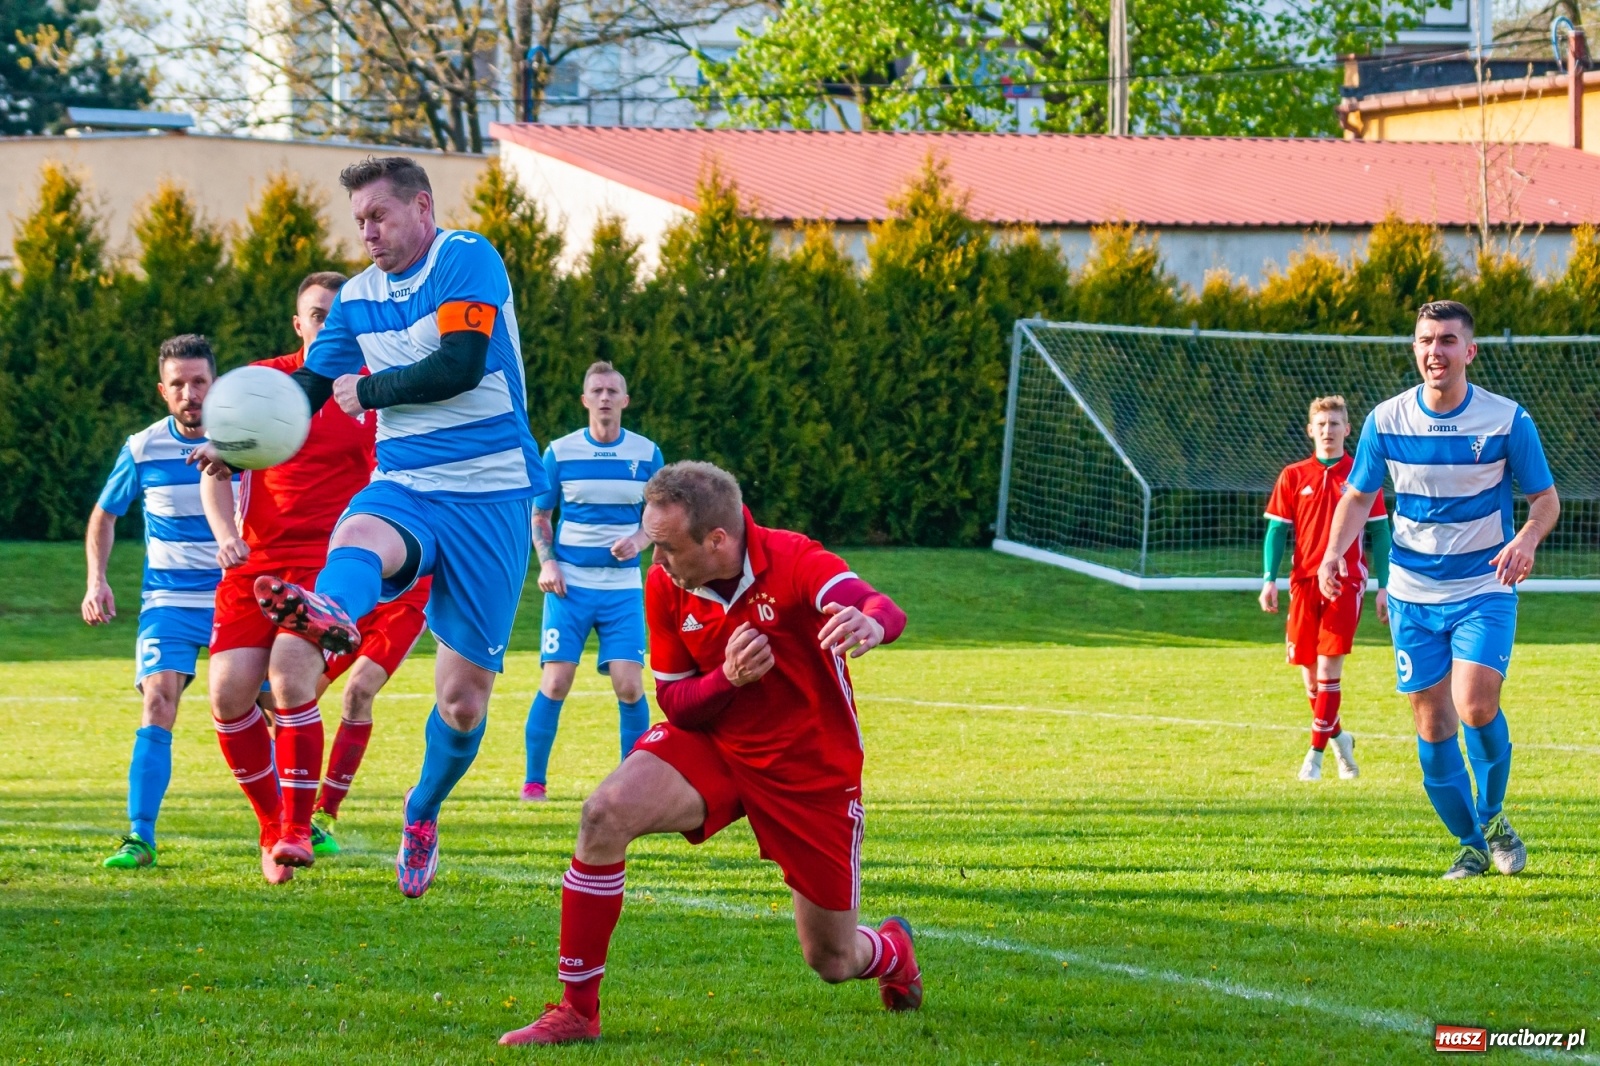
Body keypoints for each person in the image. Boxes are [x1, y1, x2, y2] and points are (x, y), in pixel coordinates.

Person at [500, 461, 920, 1048]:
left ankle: (893, 951)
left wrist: (870, 624)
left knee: (831, 959)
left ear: (717, 540)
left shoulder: (794, 559)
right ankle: (576, 1011)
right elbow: (676, 702)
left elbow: (877, 605)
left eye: (668, 547)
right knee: (603, 814)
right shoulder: (663, 585)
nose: (656, 559)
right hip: (716, 745)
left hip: (808, 770)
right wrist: (727, 679)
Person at [244, 155, 545, 895]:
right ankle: (332, 611)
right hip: (405, 481)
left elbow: (461, 364)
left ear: (422, 207)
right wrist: (239, 439)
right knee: (359, 538)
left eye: (379, 215)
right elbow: (312, 384)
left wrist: (369, 389)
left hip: (492, 494)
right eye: (359, 222)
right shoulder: (356, 297)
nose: (368, 233)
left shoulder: (466, 257)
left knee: (462, 704)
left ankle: (422, 811)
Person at [193, 271, 432, 883]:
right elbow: (216, 471)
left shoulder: (371, 392)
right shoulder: (265, 382)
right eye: (318, 316)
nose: (328, 326)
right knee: (228, 695)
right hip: (257, 562)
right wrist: (225, 536)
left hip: (335, 563)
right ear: (299, 324)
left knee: (290, 678)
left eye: (337, 315)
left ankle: (300, 828)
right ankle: (271, 824)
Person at [1319, 300, 1559, 880]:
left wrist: (1527, 539)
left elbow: (1545, 500)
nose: (1436, 351)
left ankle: (1494, 819)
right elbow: (1359, 496)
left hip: (1484, 586)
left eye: (1448, 340)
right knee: (1432, 725)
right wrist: (1332, 552)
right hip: (1413, 594)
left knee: (1475, 704)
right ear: (1415, 349)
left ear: (1468, 351)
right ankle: (1472, 845)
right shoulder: (1386, 420)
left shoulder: (1507, 420)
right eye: (1426, 340)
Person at [82, 335, 223, 869]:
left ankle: (290, 829)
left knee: (272, 706)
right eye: (178, 384)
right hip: (169, 602)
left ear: (215, 383)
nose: (190, 393)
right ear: (163, 391)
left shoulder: (247, 441)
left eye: (199, 381)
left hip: (236, 598)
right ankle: (139, 837)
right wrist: (97, 581)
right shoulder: (142, 448)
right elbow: (104, 515)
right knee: (159, 700)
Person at [522, 361, 663, 801]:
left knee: (630, 685)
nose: (604, 398)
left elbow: (660, 517)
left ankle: (629, 784)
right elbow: (540, 515)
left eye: (612, 391)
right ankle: (534, 783)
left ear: (625, 401)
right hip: (570, 587)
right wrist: (548, 563)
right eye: (597, 391)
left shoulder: (647, 454)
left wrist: (640, 539)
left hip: (622, 590)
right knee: (555, 682)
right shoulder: (560, 452)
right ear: (585, 400)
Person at [1260, 395, 1392, 782]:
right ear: (1310, 430)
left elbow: (1380, 531)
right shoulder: (1293, 475)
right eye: (1321, 425)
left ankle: (1314, 758)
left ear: (1347, 429)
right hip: (1303, 582)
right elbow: (1276, 530)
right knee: (1310, 677)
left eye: (1335, 424)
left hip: (1345, 582)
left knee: (1329, 668)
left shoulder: (1362, 474)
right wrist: (1269, 580)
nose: (1328, 431)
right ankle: (1339, 739)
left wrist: (1384, 586)